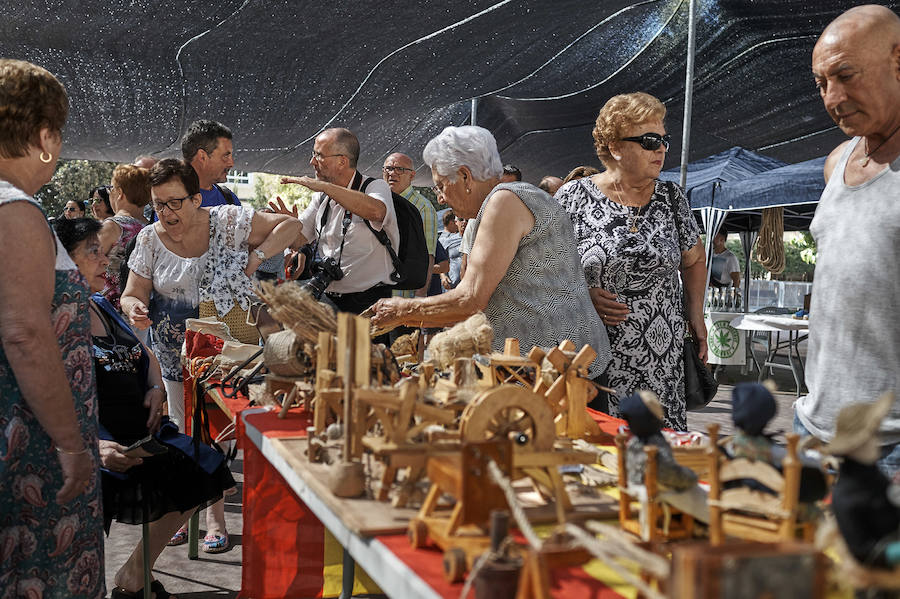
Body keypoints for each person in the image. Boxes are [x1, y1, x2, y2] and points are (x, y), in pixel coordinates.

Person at [120, 159, 299, 553]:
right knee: (185, 436)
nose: (166, 213)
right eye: (158, 205)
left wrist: (256, 258)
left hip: (227, 357)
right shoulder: (149, 240)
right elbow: (133, 291)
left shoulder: (228, 220)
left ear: (196, 198)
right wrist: (134, 306)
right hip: (174, 357)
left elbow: (292, 226)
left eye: (175, 203)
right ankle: (184, 515)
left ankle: (216, 522)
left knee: (216, 436)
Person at [55, 217, 235, 599]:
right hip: (97, 446)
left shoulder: (101, 305)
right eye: (94, 253)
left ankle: (135, 574)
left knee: (204, 464)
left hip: (141, 435)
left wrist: (154, 386)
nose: (106, 262)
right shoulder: (51, 317)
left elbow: (145, 352)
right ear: (63, 260)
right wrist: (92, 446)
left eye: (106, 253)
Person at [370, 125, 610, 377]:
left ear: (465, 176)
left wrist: (401, 311)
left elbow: (470, 299)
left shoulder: (504, 201)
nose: (440, 198)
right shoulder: (514, 197)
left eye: (440, 186)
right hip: (557, 368)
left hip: (559, 376)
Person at [0, 58, 104, 599]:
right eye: (57, 134)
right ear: (43, 135)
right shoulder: (15, 209)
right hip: (32, 448)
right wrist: (71, 444)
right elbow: (24, 333)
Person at [555, 92, 708, 430]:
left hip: (662, 363)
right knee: (599, 455)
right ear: (614, 147)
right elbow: (547, 272)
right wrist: (584, 296)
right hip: (594, 360)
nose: (661, 149)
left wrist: (695, 315)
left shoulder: (672, 198)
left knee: (658, 457)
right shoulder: (572, 198)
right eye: (650, 140)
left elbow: (695, 259)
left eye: (664, 140)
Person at [796, 4, 900, 481]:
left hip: (890, 447)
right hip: (813, 429)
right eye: (821, 84)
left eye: (845, 75)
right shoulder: (836, 162)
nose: (832, 97)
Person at [280, 127, 400, 314]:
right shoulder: (321, 198)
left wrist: (325, 187)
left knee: (356, 345)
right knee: (322, 344)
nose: (312, 162)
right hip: (328, 299)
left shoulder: (374, 186)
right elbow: (298, 241)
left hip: (367, 303)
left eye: (319, 155)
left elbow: (376, 211)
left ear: (342, 161)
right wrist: (287, 225)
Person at [383, 152, 437, 298]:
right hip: (375, 292)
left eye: (399, 169)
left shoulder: (422, 207)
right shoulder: (377, 202)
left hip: (405, 295)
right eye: (388, 168)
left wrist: (419, 298)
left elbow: (429, 255)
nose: (392, 173)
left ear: (412, 175)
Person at [98, 164, 150, 310]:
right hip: (140, 311)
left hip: (109, 312)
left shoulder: (112, 226)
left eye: (111, 188)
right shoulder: (152, 229)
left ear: (119, 192)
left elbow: (85, 265)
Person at [182, 119, 240, 207]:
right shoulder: (170, 198)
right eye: (225, 156)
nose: (231, 163)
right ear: (202, 157)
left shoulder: (229, 198)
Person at [438, 210, 462, 289]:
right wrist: (443, 276)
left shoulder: (460, 237)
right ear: (452, 222)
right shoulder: (444, 240)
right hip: (451, 283)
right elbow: (440, 261)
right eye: (460, 220)